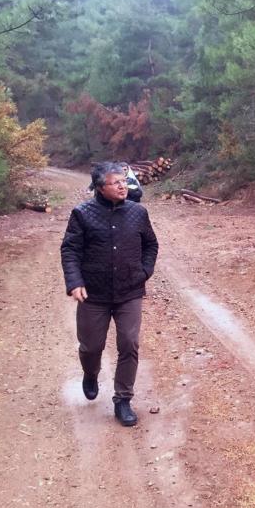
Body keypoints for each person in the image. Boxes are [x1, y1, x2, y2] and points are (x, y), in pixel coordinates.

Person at [61, 161, 159, 426]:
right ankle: (90, 373)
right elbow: (70, 250)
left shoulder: (138, 212)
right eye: (115, 182)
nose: (122, 186)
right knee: (91, 346)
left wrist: (144, 271)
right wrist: (74, 281)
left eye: (123, 181)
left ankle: (123, 399)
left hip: (130, 291)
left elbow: (151, 244)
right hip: (94, 293)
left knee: (129, 343)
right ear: (100, 187)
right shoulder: (82, 213)